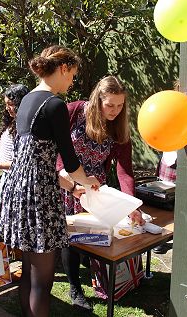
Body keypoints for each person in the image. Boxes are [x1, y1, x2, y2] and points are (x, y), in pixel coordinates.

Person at [0, 45, 100, 317]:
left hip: (19, 190)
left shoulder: (28, 100)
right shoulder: (54, 105)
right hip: (39, 196)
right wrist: (87, 180)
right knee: (42, 280)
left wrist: (73, 187)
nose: (72, 81)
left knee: (30, 271)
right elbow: (70, 161)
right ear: (63, 68)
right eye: (73, 75)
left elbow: (34, 160)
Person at [56, 75, 144, 310]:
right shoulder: (74, 111)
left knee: (96, 234)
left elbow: (125, 170)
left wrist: (132, 204)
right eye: (110, 105)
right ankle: (75, 288)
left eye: (120, 105)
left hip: (95, 188)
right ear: (97, 100)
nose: (115, 110)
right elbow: (53, 147)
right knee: (71, 239)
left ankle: (102, 280)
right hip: (67, 184)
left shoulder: (118, 127)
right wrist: (70, 182)